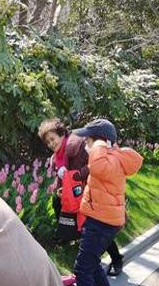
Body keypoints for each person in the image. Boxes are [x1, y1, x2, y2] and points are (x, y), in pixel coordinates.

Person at [70, 118, 143, 286]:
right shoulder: (112, 157)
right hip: (102, 218)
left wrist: (100, 144)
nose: (86, 144)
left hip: (102, 221)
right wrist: (101, 144)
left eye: (89, 140)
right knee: (91, 262)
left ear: (101, 142)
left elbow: (98, 168)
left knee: (82, 267)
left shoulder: (107, 160)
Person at [38, 118, 124, 276]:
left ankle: (117, 259)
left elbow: (94, 164)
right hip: (74, 196)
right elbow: (61, 179)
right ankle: (69, 239)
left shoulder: (78, 147)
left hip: (90, 192)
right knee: (61, 206)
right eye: (48, 142)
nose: (51, 144)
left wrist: (79, 175)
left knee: (97, 229)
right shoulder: (56, 159)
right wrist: (60, 189)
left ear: (62, 134)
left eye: (53, 139)